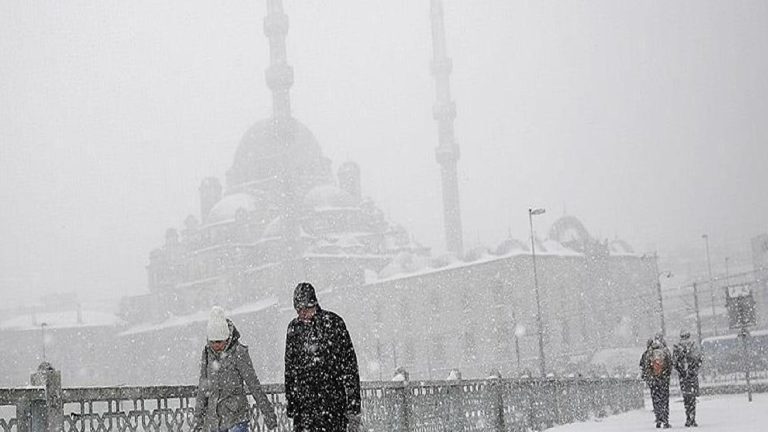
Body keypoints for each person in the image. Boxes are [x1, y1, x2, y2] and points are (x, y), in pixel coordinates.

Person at [284, 282, 362, 432]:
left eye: (305, 309)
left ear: (314, 304)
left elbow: (350, 366)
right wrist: (292, 403)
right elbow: (290, 368)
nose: (302, 314)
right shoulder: (294, 329)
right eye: (298, 310)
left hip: (332, 406)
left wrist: (353, 405)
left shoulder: (334, 323)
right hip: (305, 409)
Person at [193, 307, 278, 432]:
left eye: (219, 341)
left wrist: (268, 413)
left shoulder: (238, 352)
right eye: (212, 342)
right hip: (214, 421)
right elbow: (203, 387)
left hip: (236, 417)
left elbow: (253, 384)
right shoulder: (207, 354)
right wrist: (198, 419)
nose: (216, 346)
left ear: (227, 338)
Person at [640, 333, 673, 428]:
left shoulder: (648, 352)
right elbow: (670, 365)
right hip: (664, 380)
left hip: (653, 380)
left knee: (656, 399)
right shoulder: (665, 351)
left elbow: (644, 366)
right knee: (665, 399)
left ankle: (658, 419)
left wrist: (649, 378)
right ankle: (666, 420)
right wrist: (666, 376)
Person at [673, 330, 703, 427]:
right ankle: (692, 418)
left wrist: (682, 371)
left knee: (686, 397)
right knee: (692, 398)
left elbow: (674, 363)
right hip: (692, 375)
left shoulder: (677, 347)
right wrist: (694, 369)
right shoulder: (694, 346)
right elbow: (700, 359)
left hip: (683, 376)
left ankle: (688, 418)